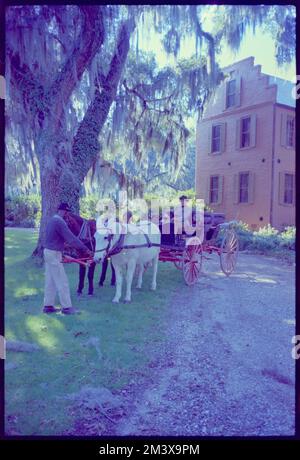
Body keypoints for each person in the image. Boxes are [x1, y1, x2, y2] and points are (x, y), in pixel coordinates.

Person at [43, 202, 93, 315]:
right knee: (62, 281)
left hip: (48, 252)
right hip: (54, 253)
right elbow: (72, 239)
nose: (67, 215)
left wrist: (62, 245)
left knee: (50, 281)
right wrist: (86, 249)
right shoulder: (59, 222)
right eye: (66, 212)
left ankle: (48, 306)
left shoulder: (52, 220)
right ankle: (67, 308)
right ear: (64, 211)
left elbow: (55, 238)